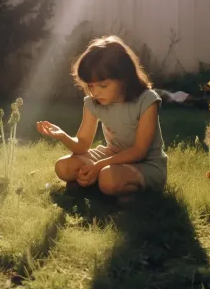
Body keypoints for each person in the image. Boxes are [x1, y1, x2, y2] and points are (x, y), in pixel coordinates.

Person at [36, 35, 167, 202]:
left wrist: (98, 166)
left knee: (107, 177)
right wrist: (62, 135)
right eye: (90, 86)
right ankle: (105, 187)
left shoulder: (147, 100)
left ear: (124, 78)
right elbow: (82, 144)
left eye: (103, 85)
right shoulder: (93, 103)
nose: (95, 92)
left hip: (146, 163)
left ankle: (125, 192)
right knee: (63, 167)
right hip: (111, 156)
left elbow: (139, 151)